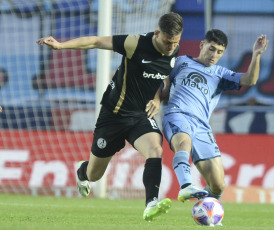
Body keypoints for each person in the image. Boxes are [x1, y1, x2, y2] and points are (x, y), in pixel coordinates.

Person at [36, 12, 183, 221]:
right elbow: (96, 41)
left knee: (155, 149)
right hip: (113, 115)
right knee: (95, 174)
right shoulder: (135, 43)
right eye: (168, 42)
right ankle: (82, 172)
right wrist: (61, 46)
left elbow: (164, 76)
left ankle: (151, 203)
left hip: (140, 116)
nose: (171, 47)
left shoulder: (174, 50)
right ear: (158, 33)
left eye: (175, 42)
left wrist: (158, 99)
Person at [162, 30, 268, 205]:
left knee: (218, 186)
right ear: (202, 45)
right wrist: (156, 101)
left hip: (202, 127)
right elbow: (163, 85)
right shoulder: (180, 62)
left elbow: (250, 80)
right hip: (178, 114)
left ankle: (207, 213)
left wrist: (256, 55)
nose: (214, 55)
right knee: (184, 143)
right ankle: (186, 185)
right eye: (211, 49)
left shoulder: (221, 74)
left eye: (219, 52)